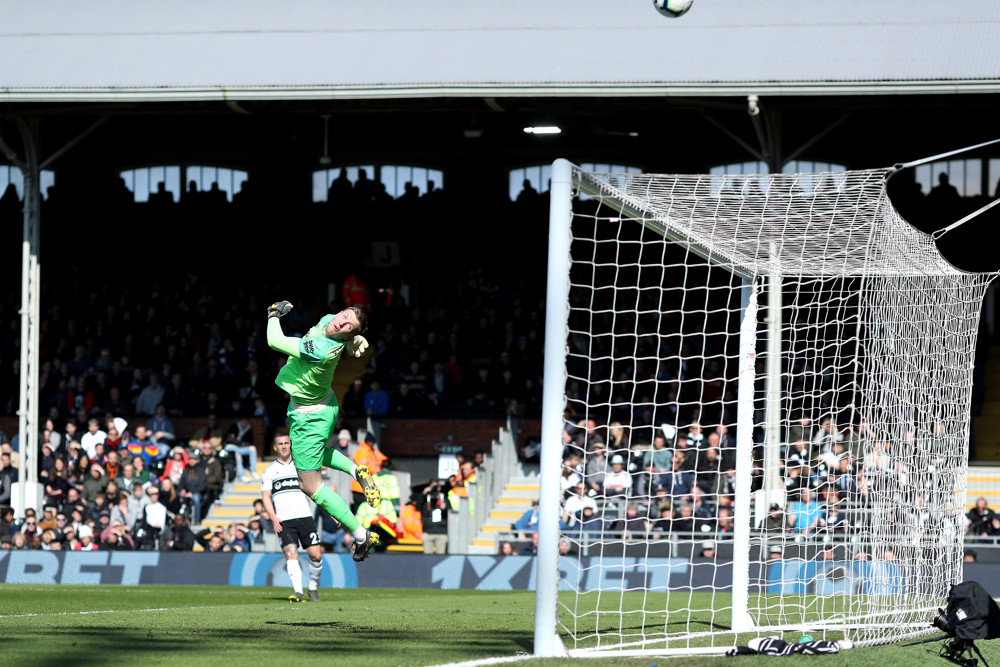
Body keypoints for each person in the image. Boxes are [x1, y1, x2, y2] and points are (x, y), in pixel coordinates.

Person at [265, 300, 381, 562]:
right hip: (324, 404)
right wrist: (352, 341)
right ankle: (356, 470)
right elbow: (343, 335)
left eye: (348, 324)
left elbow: (275, 340)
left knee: (311, 486)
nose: (340, 321)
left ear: (349, 332)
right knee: (313, 455)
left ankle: (361, 535)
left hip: (309, 418)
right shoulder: (330, 320)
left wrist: (273, 314)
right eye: (343, 315)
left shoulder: (321, 349)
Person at [260, 431, 324, 603]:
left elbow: (316, 487)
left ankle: (312, 587)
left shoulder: (300, 466)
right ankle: (299, 592)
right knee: (290, 553)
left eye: (286, 443)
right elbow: (266, 496)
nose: (284, 446)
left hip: (304, 516)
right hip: (284, 519)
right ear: (275, 447)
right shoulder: (269, 471)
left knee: (316, 555)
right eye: (280, 444)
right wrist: (273, 517)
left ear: (291, 445)